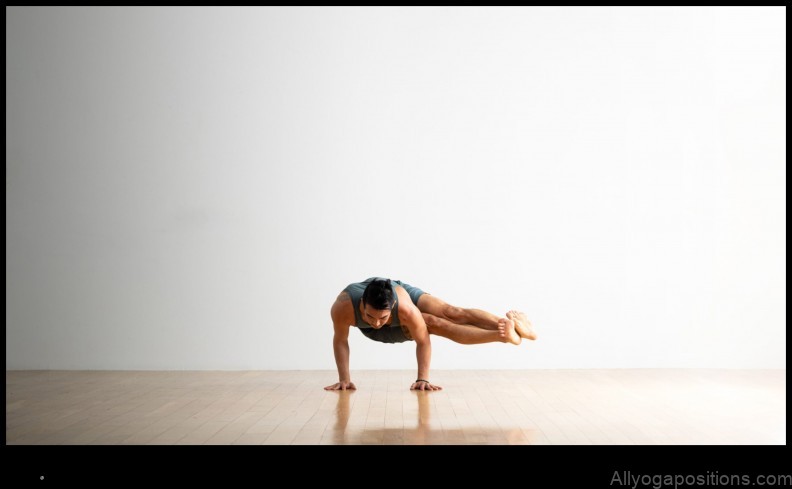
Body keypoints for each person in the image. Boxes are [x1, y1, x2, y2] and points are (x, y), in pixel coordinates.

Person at [324, 277, 537, 392]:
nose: (378, 322)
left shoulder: (405, 309)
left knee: (449, 313)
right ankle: (503, 336)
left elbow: (423, 340)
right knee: (435, 324)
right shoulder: (343, 308)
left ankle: (511, 328)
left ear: (393, 307)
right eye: (371, 316)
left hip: (401, 295)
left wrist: (422, 379)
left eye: (384, 317)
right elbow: (341, 340)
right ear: (362, 305)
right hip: (378, 328)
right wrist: (344, 379)